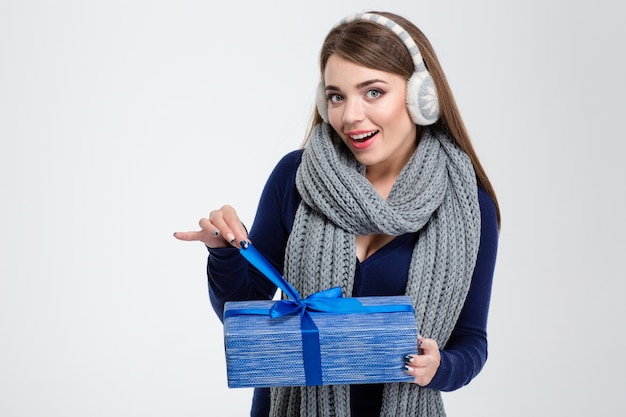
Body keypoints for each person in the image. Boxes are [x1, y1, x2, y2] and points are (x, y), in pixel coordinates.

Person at [174, 10, 500, 417]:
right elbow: (243, 310)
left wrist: (440, 367)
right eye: (336, 96)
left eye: (374, 92)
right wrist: (224, 254)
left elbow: (471, 341)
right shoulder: (295, 177)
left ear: (421, 96)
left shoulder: (468, 206)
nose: (350, 116)